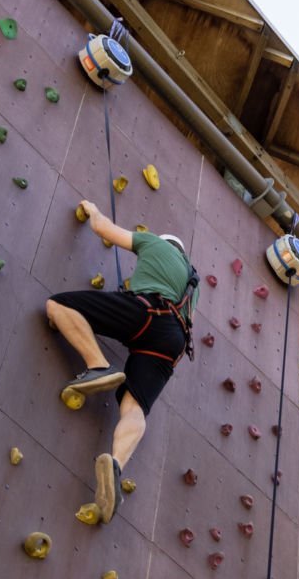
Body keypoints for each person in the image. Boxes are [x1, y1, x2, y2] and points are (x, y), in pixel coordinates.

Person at [44, 203, 195, 519]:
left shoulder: (153, 242)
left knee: (59, 306)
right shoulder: (191, 285)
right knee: (135, 408)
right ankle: (116, 464)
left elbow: (104, 230)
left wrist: (93, 210)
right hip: (172, 343)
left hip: (148, 313)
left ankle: (97, 365)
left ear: (164, 242)